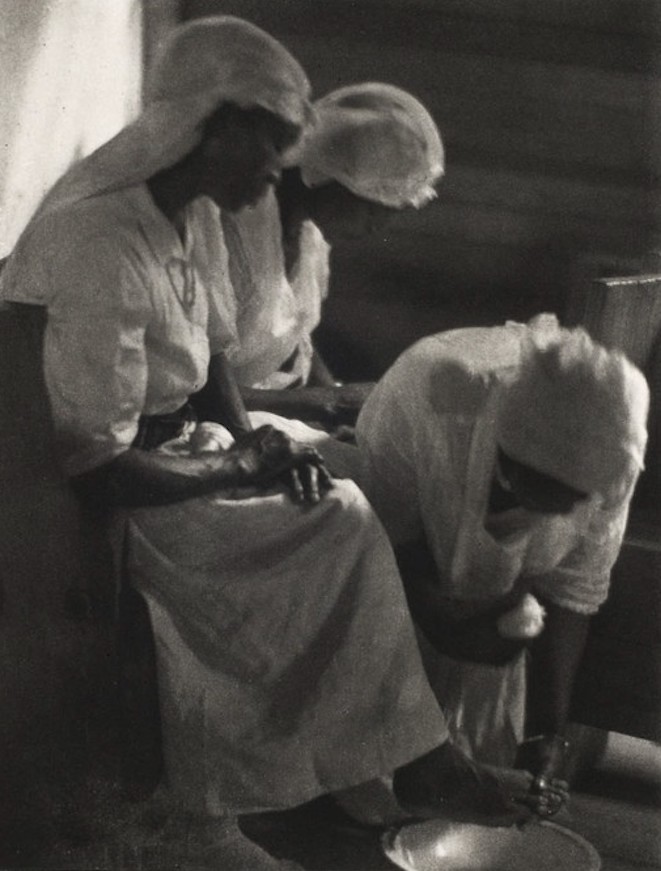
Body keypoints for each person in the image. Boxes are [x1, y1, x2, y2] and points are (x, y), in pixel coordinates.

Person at [0, 16, 526, 870]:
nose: (279, 169)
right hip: (84, 499)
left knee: (339, 497)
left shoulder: (183, 218)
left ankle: (378, 764)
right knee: (337, 523)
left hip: (177, 450)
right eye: (270, 147)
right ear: (216, 125)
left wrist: (258, 442)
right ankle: (230, 800)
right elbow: (92, 466)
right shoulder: (98, 239)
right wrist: (236, 463)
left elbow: (210, 354)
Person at [354, 313, 650, 816]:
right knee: (372, 793)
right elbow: (390, 558)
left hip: (480, 607)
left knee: (477, 789)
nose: (570, 511)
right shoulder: (426, 396)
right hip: (376, 567)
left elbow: (575, 592)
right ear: (507, 461)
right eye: (555, 495)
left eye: (582, 497)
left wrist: (550, 731)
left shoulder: (609, 444)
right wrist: (447, 630)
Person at [193, 81, 444, 437]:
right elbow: (199, 389)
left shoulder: (311, 239)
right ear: (333, 180)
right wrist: (327, 404)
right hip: (210, 422)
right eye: (372, 210)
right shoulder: (234, 223)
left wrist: (342, 402)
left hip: (257, 418)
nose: (377, 228)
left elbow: (298, 340)